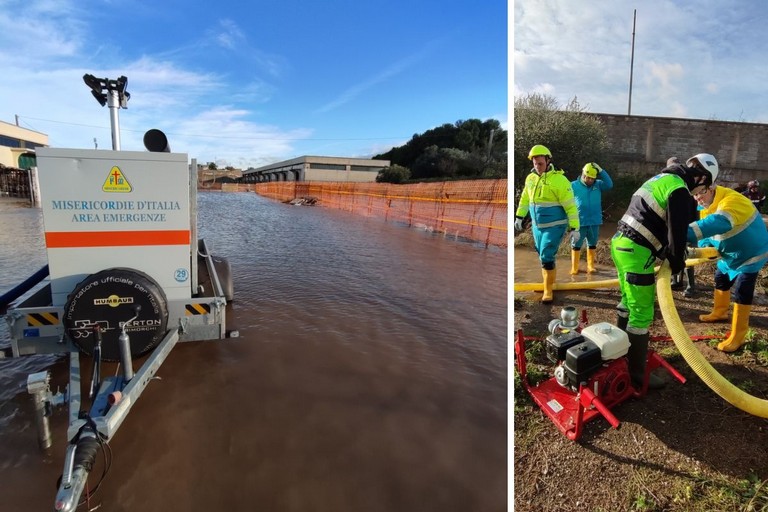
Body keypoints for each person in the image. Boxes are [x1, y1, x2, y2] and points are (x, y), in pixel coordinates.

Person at [610, 153, 718, 389]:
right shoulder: (679, 189)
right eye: (703, 187)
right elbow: (676, 233)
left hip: (620, 245)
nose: (699, 193)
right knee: (641, 312)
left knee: (628, 301)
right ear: (701, 177)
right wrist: (677, 262)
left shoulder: (662, 179)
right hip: (636, 252)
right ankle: (636, 377)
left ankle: (618, 357)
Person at [688, 173, 768, 352]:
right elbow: (706, 228)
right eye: (694, 194)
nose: (698, 198)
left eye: (701, 192)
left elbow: (718, 222)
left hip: (751, 254)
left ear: (712, 187)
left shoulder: (731, 200)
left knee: (742, 289)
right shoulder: (706, 204)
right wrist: (705, 245)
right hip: (730, 254)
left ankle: (739, 334)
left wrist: (681, 233)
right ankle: (720, 312)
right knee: (721, 278)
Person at [514, 144, 580, 304]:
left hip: (555, 226)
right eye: (535, 163)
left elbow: (571, 206)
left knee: (546, 255)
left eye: (540, 163)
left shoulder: (560, 181)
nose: (538, 166)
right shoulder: (530, 179)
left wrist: (575, 228)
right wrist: (519, 216)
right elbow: (524, 199)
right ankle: (547, 282)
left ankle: (548, 290)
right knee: (541, 255)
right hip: (537, 227)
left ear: (548, 161)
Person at [570, 162, 613, 274]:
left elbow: (609, 184)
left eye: (592, 178)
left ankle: (590, 266)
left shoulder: (598, 185)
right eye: (587, 177)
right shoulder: (573, 185)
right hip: (578, 222)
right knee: (576, 244)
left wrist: (601, 171)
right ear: (583, 174)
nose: (590, 180)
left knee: (592, 243)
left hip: (594, 221)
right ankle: (574, 267)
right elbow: (566, 202)